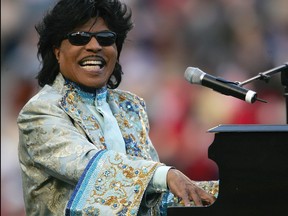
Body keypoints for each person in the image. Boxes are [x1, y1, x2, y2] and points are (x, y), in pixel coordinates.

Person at [17, 0, 218, 215]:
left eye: (106, 39)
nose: (95, 46)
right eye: (80, 38)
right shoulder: (40, 111)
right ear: (57, 51)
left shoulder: (129, 107)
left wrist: (225, 192)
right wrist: (165, 175)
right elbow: (89, 166)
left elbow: (150, 199)